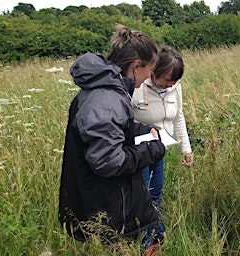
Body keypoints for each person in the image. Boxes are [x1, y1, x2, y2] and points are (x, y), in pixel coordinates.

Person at [58, 24, 167, 247]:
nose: (147, 78)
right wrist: (153, 150)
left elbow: (113, 130)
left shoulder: (106, 90)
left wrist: (143, 131)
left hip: (107, 202)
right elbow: (108, 161)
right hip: (106, 210)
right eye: (149, 71)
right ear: (137, 66)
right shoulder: (106, 98)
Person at [131, 45, 194, 248]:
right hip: (139, 153)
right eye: (167, 80)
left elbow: (179, 117)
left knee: (155, 193)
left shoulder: (175, 86)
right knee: (141, 196)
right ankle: (143, 242)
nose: (170, 86)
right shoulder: (138, 86)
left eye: (174, 81)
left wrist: (186, 148)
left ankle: (155, 236)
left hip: (160, 151)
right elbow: (124, 120)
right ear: (153, 72)